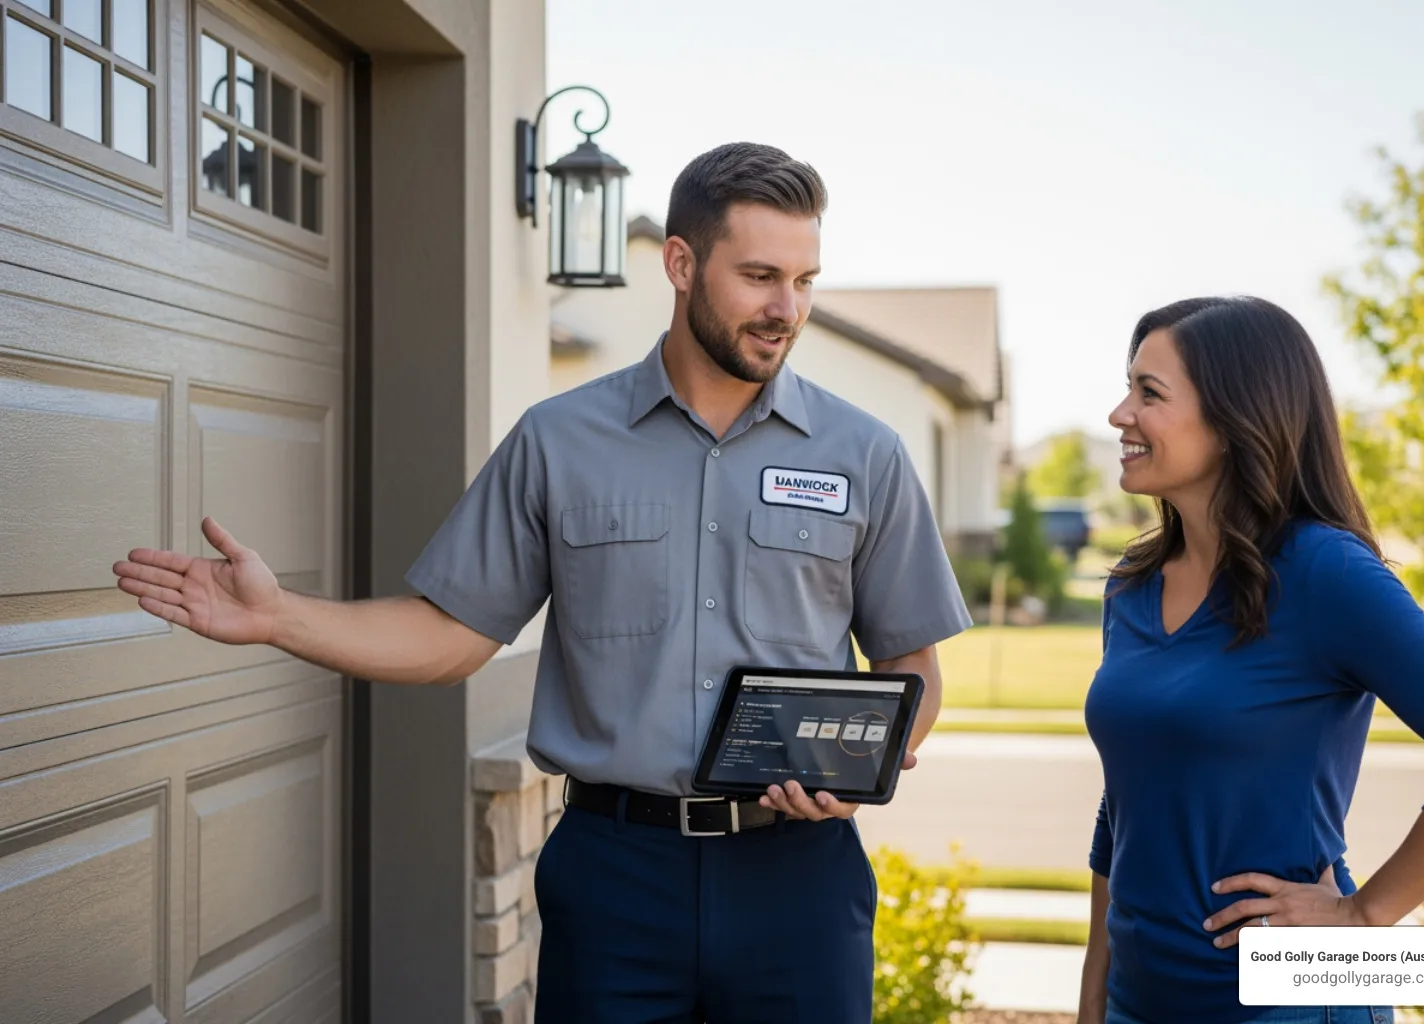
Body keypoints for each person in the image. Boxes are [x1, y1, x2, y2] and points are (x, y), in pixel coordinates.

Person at [113, 142, 971, 1023]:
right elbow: (451, 633)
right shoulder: (559, 440)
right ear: (681, 264)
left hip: (801, 879)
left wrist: (856, 765)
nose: (786, 308)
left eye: (804, 279)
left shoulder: (864, 453)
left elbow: (913, 664)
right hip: (615, 882)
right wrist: (281, 617)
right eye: (758, 276)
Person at [1076, 296, 1424, 1024]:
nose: (1119, 414)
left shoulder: (1325, 573)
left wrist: (1361, 916)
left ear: (1234, 419)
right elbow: (1123, 804)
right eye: (1128, 387)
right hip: (1140, 1000)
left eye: (1149, 393)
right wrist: (1095, 994)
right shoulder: (1131, 587)